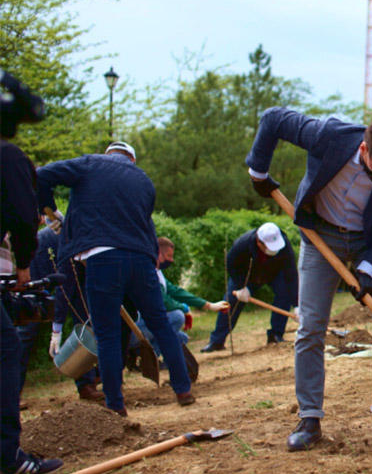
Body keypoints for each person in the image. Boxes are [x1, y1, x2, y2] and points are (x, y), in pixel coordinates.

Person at [247, 108, 372, 451]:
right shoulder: (329, 136)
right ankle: (309, 418)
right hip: (320, 236)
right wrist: (258, 171)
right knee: (311, 325)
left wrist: (369, 267)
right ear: (364, 151)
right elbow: (272, 119)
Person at [36, 141, 195, 416]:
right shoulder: (144, 180)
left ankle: (115, 406)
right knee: (160, 324)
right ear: (132, 160)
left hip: (103, 259)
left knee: (107, 334)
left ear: (109, 154)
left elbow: (39, 175)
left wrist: (51, 210)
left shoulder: (90, 163)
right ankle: (183, 389)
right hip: (142, 261)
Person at [1, 69, 63, 474]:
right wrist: (24, 264)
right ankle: (8, 456)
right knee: (5, 353)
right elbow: (24, 217)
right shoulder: (8, 157)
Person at [16, 219, 102, 400]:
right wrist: (57, 328)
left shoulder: (104, 247)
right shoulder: (76, 240)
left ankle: (86, 385)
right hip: (45, 253)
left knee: (84, 318)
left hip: (77, 262)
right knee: (31, 319)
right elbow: (64, 289)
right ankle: (11, 393)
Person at [200, 223, 297, 352]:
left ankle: (276, 334)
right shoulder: (243, 244)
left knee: (284, 294)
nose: (274, 250)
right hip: (246, 275)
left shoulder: (284, 245)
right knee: (231, 302)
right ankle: (217, 341)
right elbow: (231, 264)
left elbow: (291, 273)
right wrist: (241, 287)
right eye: (269, 247)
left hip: (274, 272)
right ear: (259, 242)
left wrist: (297, 304)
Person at [133, 237, 228, 366]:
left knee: (181, 338)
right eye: (169, 256)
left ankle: (161, 363)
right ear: (157, 253)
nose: (171, 260)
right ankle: (143, 358)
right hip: (134, 327)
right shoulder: (146, 272)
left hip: (147, 324)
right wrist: (183, 309)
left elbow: (176, 291)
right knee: (176, 317)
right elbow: (162, 301)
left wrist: (209, 305)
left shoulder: (157, 272)